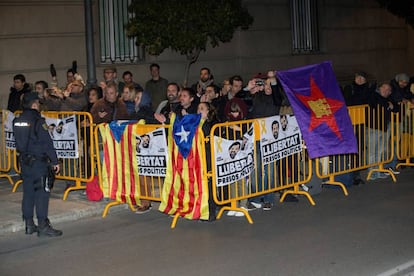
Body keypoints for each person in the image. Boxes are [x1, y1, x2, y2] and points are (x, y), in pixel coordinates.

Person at [12, 92, 62, 237]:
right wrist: (55, 161)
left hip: (24, 161)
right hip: (39, 163)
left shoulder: (18, 120)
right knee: (42, 194)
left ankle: (29, 224)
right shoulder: (38, 121)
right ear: (34, 104)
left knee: (28, 193)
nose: (39, 105)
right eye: (38, 103)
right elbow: (47, 143)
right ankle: (43, 225)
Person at [366, 82, 399, 180]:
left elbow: (396, 108)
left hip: (385, 128)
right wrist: (388, 104)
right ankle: (372, 171)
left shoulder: (388, 98)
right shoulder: (373, 95)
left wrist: (391, 105)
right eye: (384, 88)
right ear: (379, 88)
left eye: (389, 90)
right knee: (372, 151)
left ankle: (378, 170)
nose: (386, 91)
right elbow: (376, 104)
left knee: (380, 151)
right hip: (373, 127)